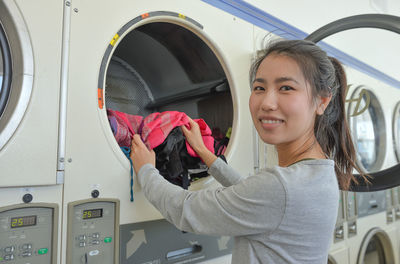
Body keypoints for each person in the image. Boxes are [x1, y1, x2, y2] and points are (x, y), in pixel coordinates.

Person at [130, 39, 366, 263]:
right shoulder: (318, 171)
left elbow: (188, 210)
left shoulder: (281, 186)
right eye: (259, 87)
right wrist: (206, 154)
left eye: (286, 88)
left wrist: (146, 170)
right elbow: (252, 196)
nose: (267, 103)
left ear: (322, 101)